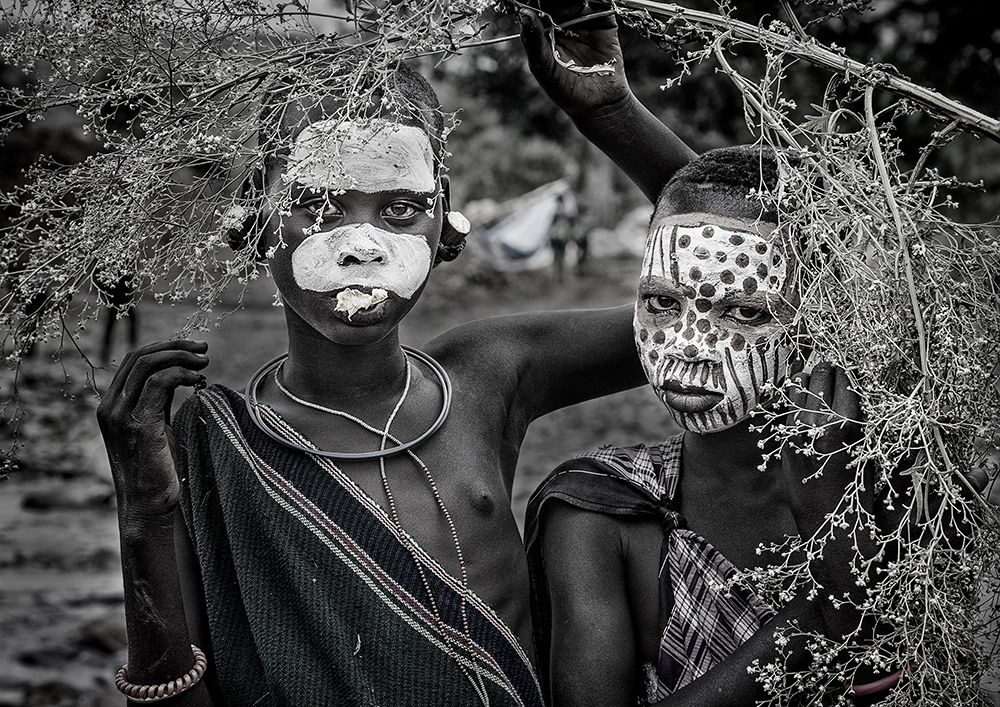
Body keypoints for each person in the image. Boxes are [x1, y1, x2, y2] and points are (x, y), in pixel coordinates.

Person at [96, 56, 694, 705]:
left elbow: (741, 285)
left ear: (444, 217)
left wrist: (610, 112)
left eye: (402, 208)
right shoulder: (215, 447)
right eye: (317, 207)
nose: (362, 243)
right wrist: (143, 510)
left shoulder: (489, 374)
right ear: (254, 217)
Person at [520, 7, 995, 706]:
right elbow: (725, 232)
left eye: (745, 314)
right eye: (661, 302)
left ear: (826, 325)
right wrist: (818, 619)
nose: (688, 347)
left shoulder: (910, 495)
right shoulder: (600, 511)